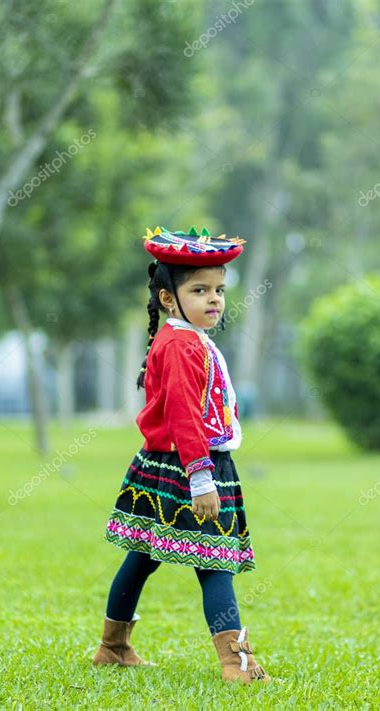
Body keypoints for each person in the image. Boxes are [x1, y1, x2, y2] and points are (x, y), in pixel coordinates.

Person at [92, 226, 270, 684]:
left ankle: (113, 648)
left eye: (219, 290)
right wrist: (201, 477)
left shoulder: (189, 340)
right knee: (215, 562)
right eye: (199, 290)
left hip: (178, 465)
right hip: (188, 466)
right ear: (169, 298)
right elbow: (184, 415)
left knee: (144, 554)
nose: (214, 299)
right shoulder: (179, 345)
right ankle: (237, 665)